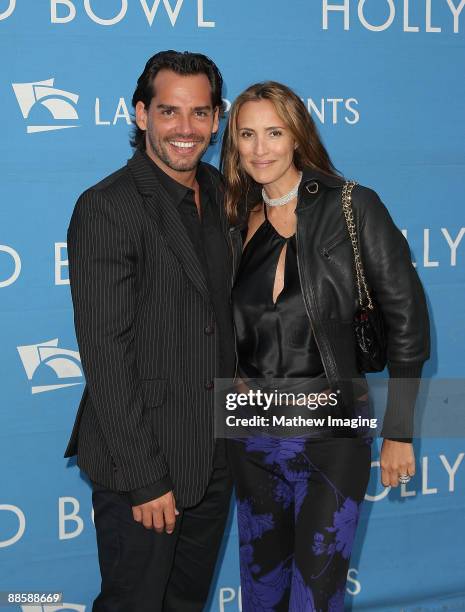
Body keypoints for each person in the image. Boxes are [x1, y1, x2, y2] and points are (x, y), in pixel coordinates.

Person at [220, 81, 430, 610]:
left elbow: (408, 320)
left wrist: (399, 432)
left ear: (297, 138)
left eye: (274, 132)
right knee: (261, 591)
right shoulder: (231, 220)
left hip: (331, 435)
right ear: (234, 143)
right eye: (247, 134)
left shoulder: (353, 207)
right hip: (250, 434)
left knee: (315, 594)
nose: (260, 148)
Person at [64, 50, 235, 612]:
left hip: (214, 456)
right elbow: (105, 353)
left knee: (185, 604)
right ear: (141, 115)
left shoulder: (226, 193)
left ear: (216, 118)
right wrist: (145, 479)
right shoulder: (107, 206)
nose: (186, 129)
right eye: (169, 112)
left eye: (200, 113)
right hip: (145, 464)